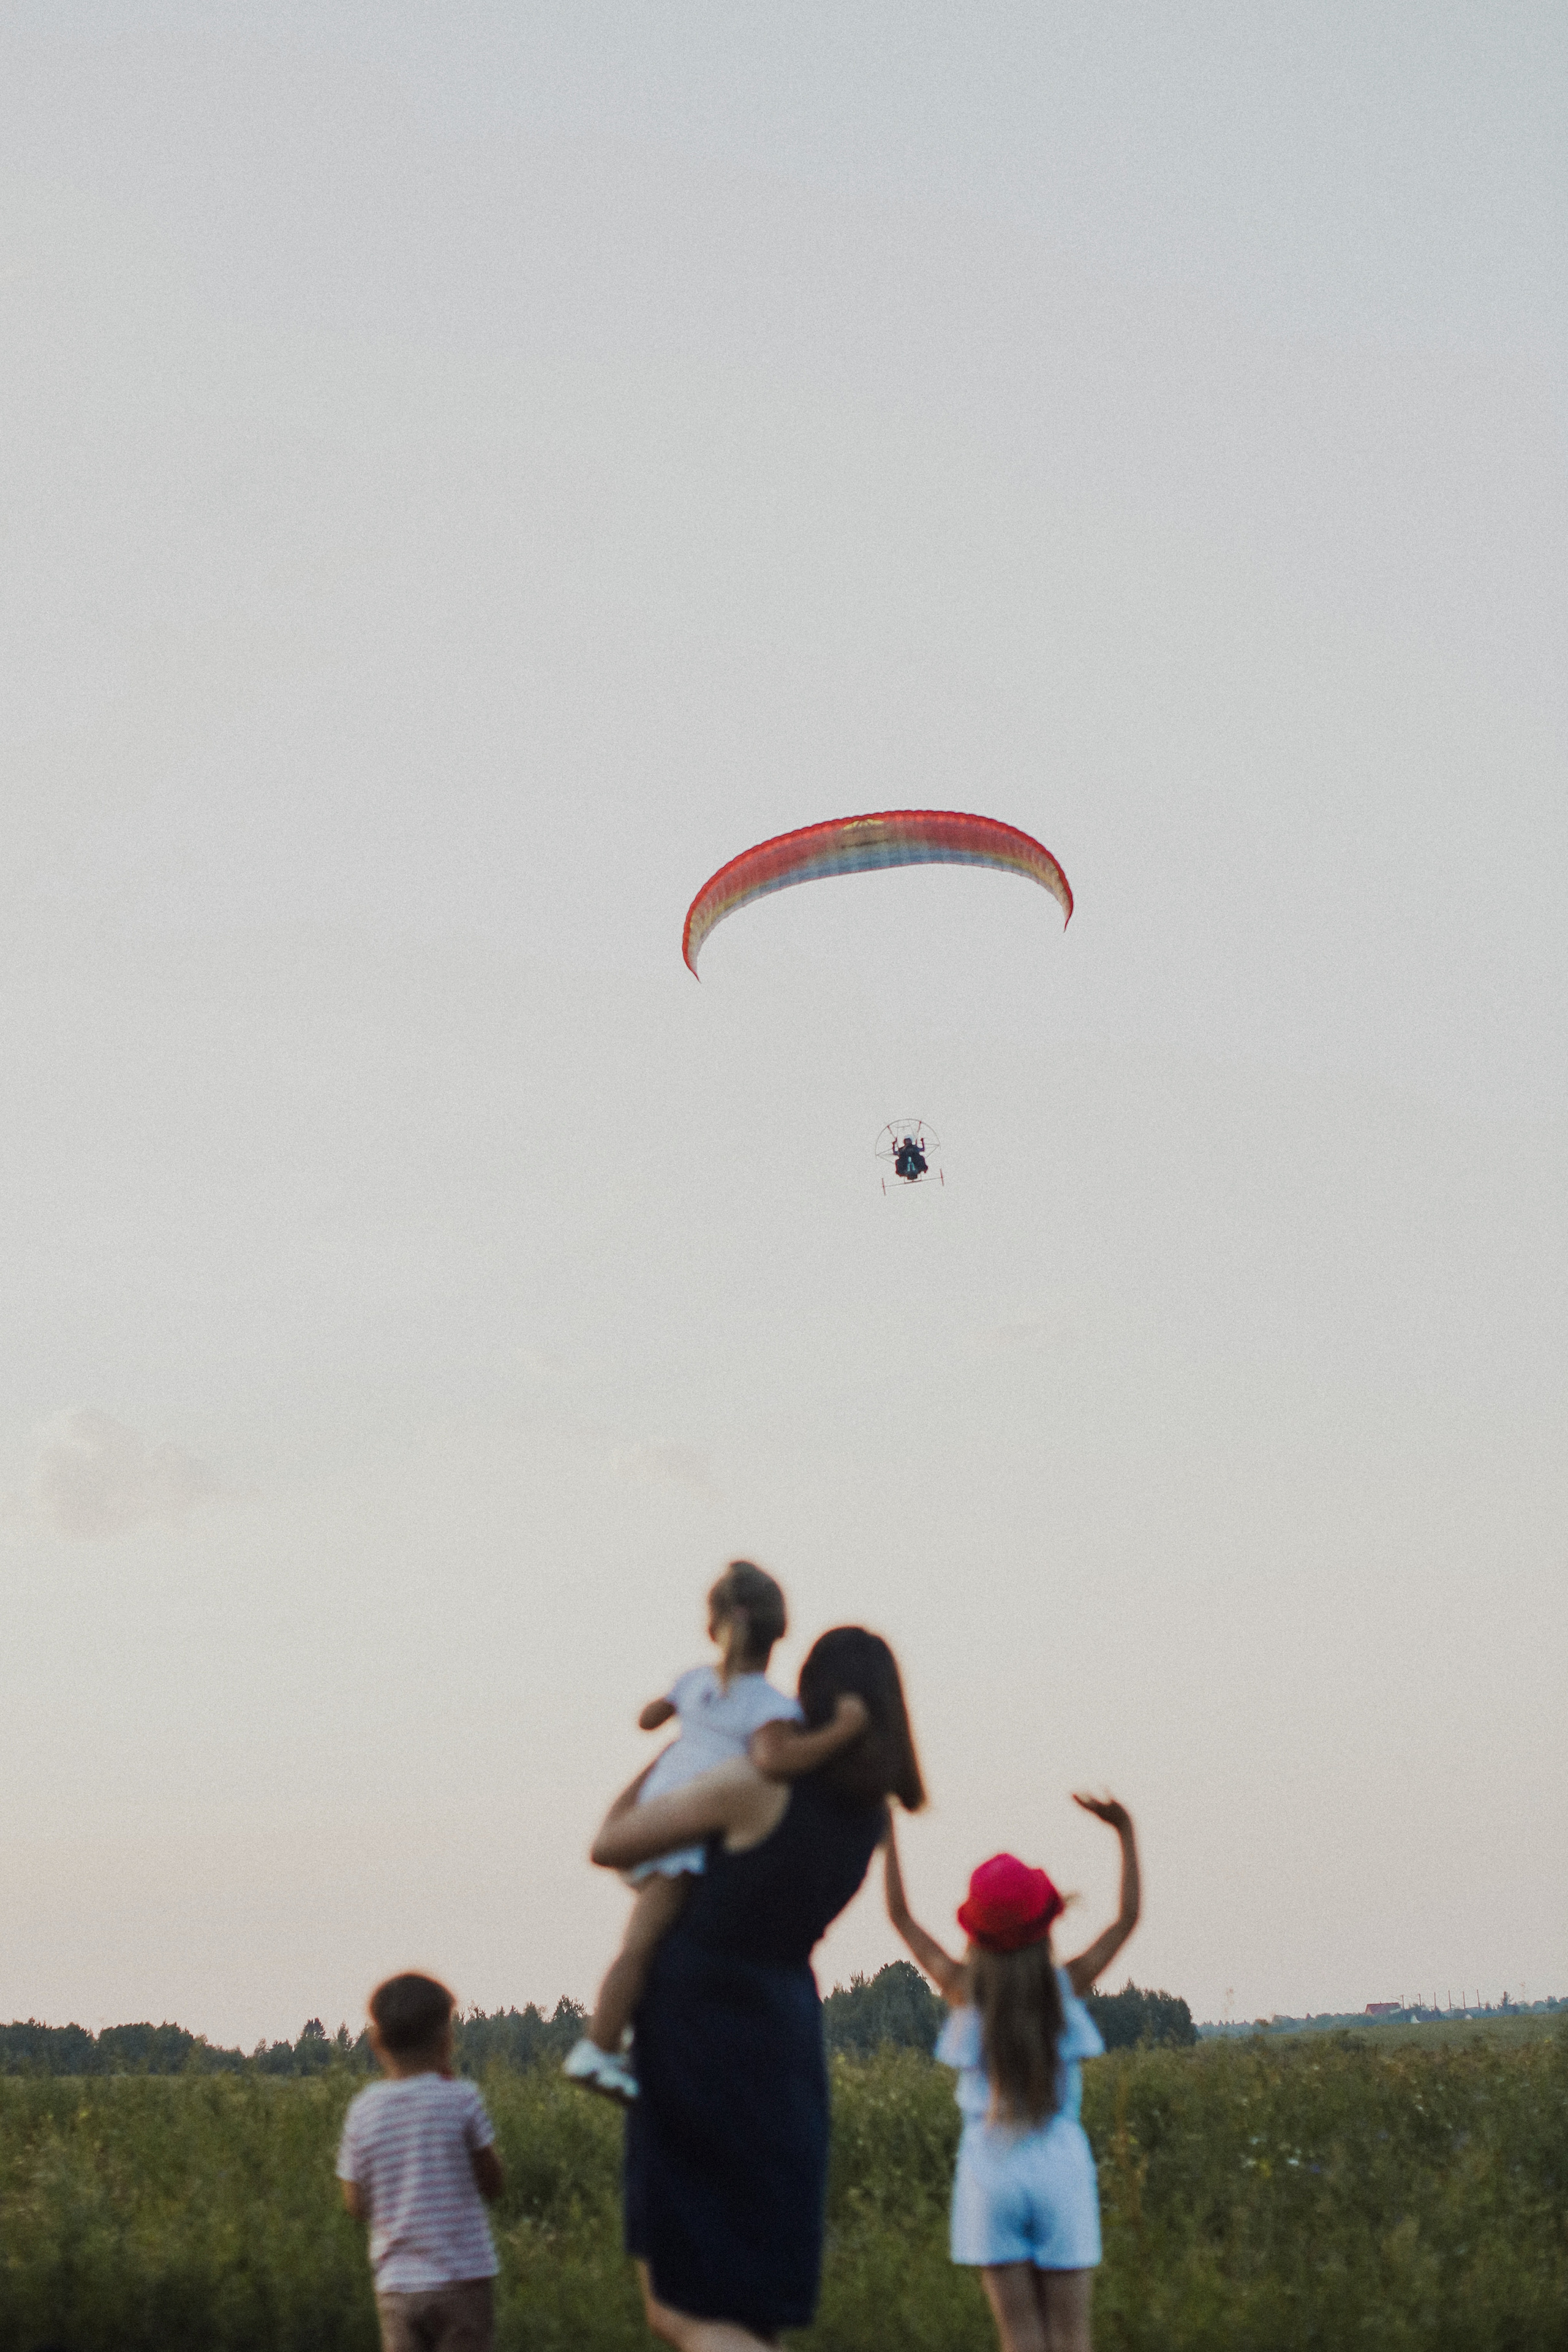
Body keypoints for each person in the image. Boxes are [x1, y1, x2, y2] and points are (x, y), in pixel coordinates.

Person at [589, 1624, 926, 2350]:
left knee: (678, 2306)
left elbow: (610, 1842)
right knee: (749, 2308)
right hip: (784, 2036)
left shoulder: (753, 1785)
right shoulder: (868, 1818)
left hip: (697, 2033)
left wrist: (685, 1748)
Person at [564, 1559, 869, 2103]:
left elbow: (649, 1718)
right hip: (682, 1834)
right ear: (779, 1631)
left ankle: (634, 2029)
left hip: (660, 1800)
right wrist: (841, 1731)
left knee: (654, 1943)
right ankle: (598, 2047)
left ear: (715, 1625)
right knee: (639, 1947)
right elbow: (775, 1761)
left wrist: (673, 1720)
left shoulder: (696, 1681)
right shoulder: (769, 1707)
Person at [883, 1796, 1140, 2352]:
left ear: (974, 1931)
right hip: (1060, 2165)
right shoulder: (1063, 1990)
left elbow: (901, 1918)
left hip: (989, 2169)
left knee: (1020, 2340)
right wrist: (1124, 1831)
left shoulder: (962, 1991)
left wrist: (888, 1835)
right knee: (1071, 2340)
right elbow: (1126, 1921)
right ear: (1046, 1925)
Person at [336, 1972, 505, 2352]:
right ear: (447, 2041)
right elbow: (493, 2183)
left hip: (397, 2286)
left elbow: (355, 2203)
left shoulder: (363, 2111)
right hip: (463, 2280)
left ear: (376, 2041)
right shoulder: (462, 2099)